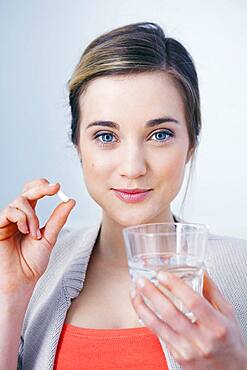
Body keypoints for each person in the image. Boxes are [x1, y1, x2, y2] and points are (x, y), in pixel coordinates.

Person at [0, 21, 246, 370]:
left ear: (191, 143)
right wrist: (10, 295)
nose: (132, 167)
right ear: (78, 146)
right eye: (105, 136)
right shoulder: (38, 270)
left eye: (160, 135)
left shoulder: (242, 270)